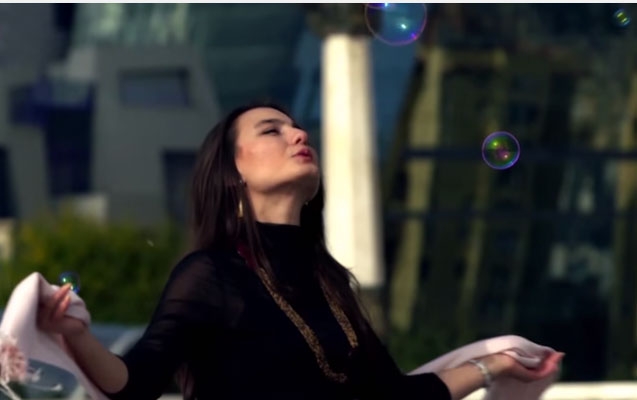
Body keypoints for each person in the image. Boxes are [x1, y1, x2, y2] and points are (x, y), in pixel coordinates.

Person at [36, 102, 562, 400]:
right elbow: (135, 384)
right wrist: (76, 335)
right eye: (273, 130)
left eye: (296, 126)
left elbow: (393, 398)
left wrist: (496, 363)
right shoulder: (211, 275)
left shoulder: (331, 283)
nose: (298, 133)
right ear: (233, 172)